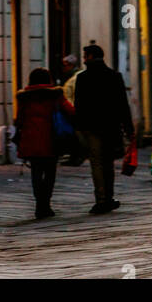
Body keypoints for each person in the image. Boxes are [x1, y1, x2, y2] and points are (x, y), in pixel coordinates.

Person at [72, 44, 134, 214]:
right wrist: (128, 127)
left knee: (97, 163)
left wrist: (77, 127)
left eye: (85, 56)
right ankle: (108, 197)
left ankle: (101, 199)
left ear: (91, 56)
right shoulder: (114, 76)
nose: (84, 59)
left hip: (90, 126)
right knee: (108, 162)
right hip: (110, 125)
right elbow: (123, 104)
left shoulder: (83, 78)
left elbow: (78, 105)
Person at [14, 67, 75, 219]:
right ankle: (45, 204)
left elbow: (19, 120)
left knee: (36, 172)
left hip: (31, 139)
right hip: (51, 138)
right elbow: (70, 111)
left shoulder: (24, 98)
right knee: (50, 173)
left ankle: (39, 204)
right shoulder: (55, 95)